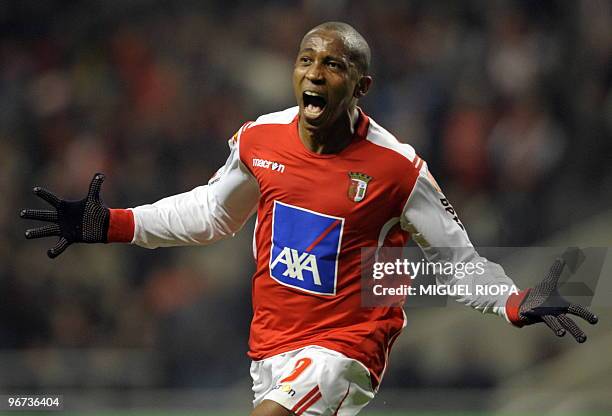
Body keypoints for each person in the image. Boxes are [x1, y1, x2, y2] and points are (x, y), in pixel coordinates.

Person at [21, 22, 597, 416]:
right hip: (269, 348)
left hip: (345, 350)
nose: (315, 74)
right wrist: (111, 224)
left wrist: (512, 302)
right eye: (306, 61)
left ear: (361, 87)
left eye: (333, 65)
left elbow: (458, 262)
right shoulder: (260, 139)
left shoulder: (398, 170)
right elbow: (211, 213)